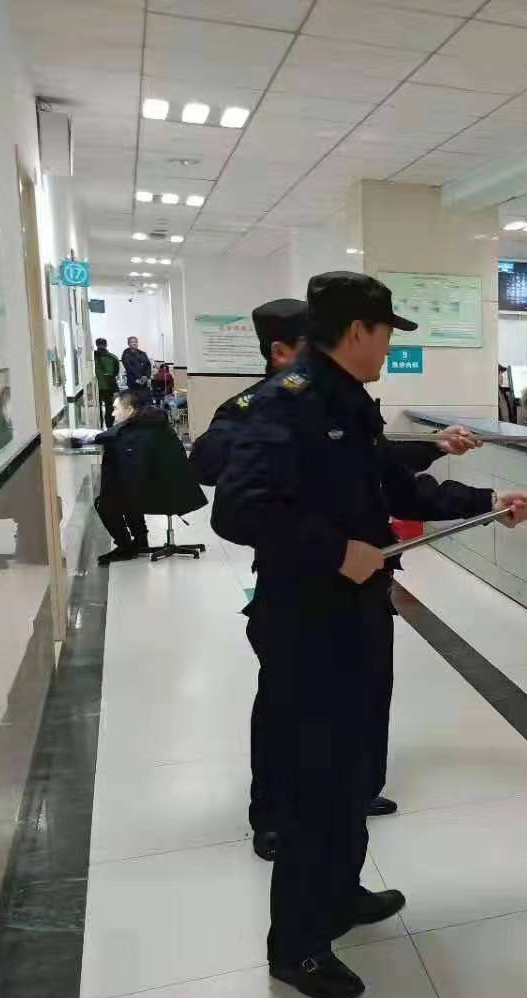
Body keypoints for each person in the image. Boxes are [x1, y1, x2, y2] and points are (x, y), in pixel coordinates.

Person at [212, 271, 527, 998]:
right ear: (358, 330)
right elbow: (236, 510)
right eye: (386, 332)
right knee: (315, 778)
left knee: (355, 766)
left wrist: (487, 501)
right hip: (306, 619)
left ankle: (341, 893)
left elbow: (391, 489)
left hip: (358, 610)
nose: (390, 346)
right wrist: (336, 551)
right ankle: (298, 945)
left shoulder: (351, 402)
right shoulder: (288, 403)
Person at [191, 297, 483, 862]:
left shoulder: (344, 402)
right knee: (289, 711)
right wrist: (332, 546)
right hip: (302, 592)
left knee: (362, 701)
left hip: (362, 590)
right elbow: (224, 484)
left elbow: (376, 469)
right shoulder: (267, 406)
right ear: (283, 351)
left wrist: (471, 488)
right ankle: (275, 816)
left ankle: (351, 799)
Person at [84, 388, 206, 565]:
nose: (112, 413)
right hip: (177, 489)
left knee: (105, 503)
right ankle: (140, 541)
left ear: (129, 410)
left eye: (116, 408)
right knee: (127, 492)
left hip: (163, 495)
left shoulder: (134, 432)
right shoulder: (154, 423)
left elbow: (106, 439)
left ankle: (125, 547)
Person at [93, 338, 120, 426]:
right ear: (106, 345)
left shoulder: (92, 357)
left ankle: (100, 424)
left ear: (96, 345)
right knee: (109, 406)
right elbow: (116, 372)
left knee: (98, 406)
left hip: (96, 386)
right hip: (109, 385)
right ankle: (109, 425)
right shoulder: (113, 357)